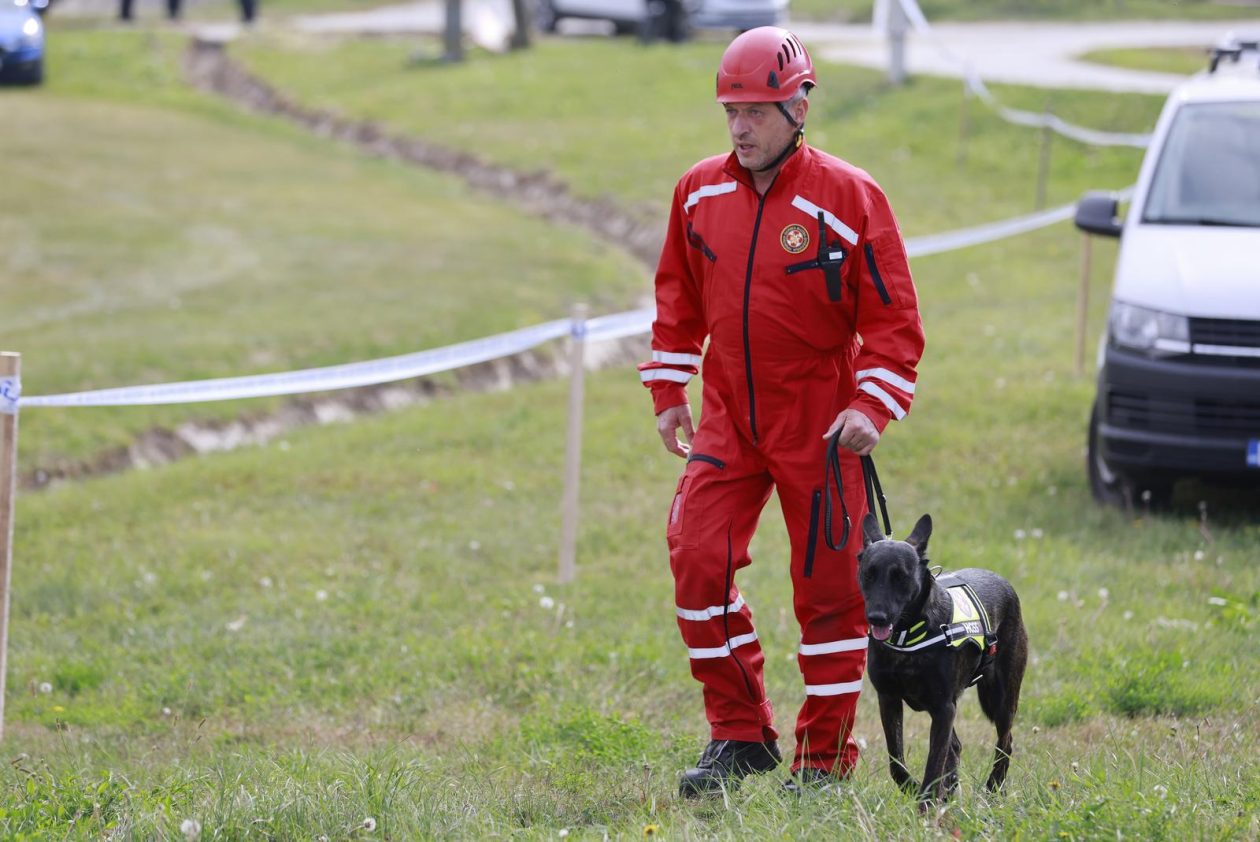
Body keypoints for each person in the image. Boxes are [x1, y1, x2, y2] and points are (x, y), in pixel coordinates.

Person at [638, 26, 925, 796]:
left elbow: (895, 325)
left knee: (833, 597)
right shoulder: (698, 190)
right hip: (729, 415)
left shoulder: (850, 197)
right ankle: (740, 735)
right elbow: (677, 296)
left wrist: (873, 403)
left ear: (800, 104)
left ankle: (823, 762)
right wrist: (670, 389)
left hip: (822, 425)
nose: (740, 126)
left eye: (758, 109)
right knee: (696, 562)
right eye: (731, 108)